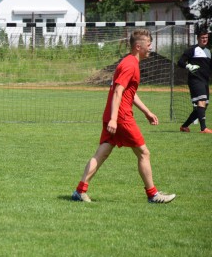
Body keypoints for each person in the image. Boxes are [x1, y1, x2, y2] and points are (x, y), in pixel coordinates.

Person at [71, 29, 176, 204]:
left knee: (102, 152)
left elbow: (129, 92)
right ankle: (153, 195)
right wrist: (114, 118)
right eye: (149, 45)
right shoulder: (130, 65)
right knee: (144, 153)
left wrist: (147, 112)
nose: (151, 48)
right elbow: (118, 91)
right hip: (121, 117)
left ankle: (79, 191)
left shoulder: (128, 62)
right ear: (138, 46)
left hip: (114, 115)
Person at [177, 29, 212, 134]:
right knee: (201, 102)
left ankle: (184, 126)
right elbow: (180, 62)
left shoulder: (208, 51)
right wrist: (189, 66)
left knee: (203, 106)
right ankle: (203, 129)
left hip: (205, 81)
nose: (204, 39)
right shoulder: (193, 49)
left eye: (206, 37)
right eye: (202, 38)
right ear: (198, 38)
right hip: (195, 80)